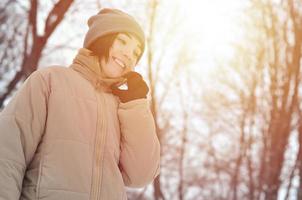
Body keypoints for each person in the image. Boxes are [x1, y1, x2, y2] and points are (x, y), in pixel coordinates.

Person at [0, 8, 160, 200]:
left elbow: (140, 175)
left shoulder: (125, 108)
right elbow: (7, 153)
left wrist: (136, 105)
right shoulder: (50, 81)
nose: (129, 54)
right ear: (101, 39)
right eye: (123, 41)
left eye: (136, 52)